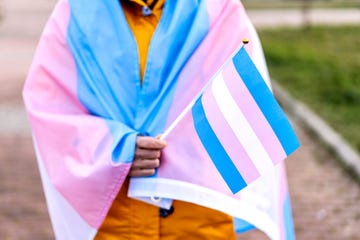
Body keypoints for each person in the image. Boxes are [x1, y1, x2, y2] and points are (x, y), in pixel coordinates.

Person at [23, 0, 296, 239]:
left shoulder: (217, 9)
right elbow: (50, 109)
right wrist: (116, 148)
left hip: (197, 221)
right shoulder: (75, 13)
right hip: (117, 225)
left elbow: (242, 100)